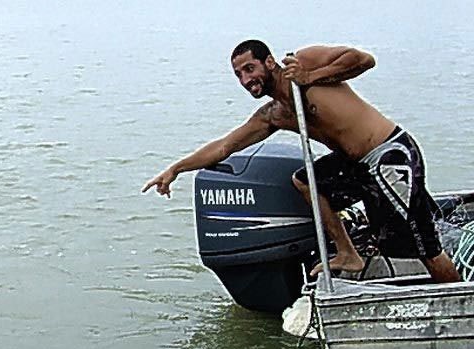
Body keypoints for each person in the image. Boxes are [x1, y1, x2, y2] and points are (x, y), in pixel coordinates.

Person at [143, 40, 461, 283]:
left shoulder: (303, 62)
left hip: (390, 153)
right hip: (357, 167)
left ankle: (461, 303)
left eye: (249, 68)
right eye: (238, 74)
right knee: (306, 180)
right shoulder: (276, 114)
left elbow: (363, 60)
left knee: (424, 246)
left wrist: (310, 76)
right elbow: (225, 146)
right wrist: (176, 168)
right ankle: (348, 255)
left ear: (269, 62)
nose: (245, 79)